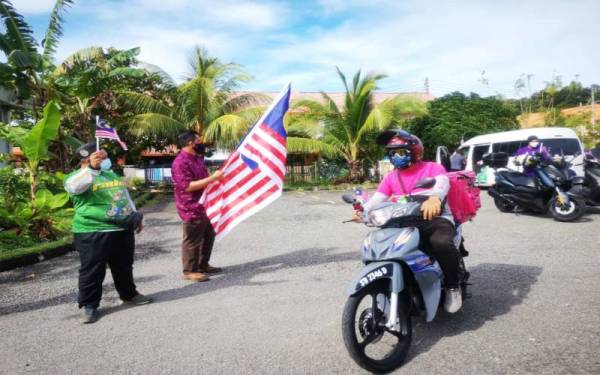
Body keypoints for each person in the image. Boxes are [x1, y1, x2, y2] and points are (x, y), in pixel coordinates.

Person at [354, 130, 463, 313]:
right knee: (382, 244)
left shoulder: (432, 168)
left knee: (440, 242)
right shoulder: (391, 177)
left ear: (415, 152)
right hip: (403, 220)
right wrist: (363, 211)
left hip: (434, 219)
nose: (397, 157)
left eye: (402, 152)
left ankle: (453, 287)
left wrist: (435, 198)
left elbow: (442, 184)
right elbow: (377, 199)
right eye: (393, 153)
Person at [64, 143, 152, 324]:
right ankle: (89, 306)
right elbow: (75, 188)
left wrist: (135, 217)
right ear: (89, 158)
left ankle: (129, 294)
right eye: (102, 157)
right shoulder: (75, 177)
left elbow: (124, 196)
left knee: (124, 266)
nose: (106, 160)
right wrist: (91, 169)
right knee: (92, 271)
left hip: (121, 230)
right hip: (93, 231)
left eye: (105, 157)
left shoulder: (110, 174)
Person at [171, 131, 224, 282]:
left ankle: (202, 264)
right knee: (192, 239)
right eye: (199, 140)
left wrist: (213, 179)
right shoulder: (180, 162)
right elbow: (187, 186)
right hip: (191, 207)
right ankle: (190, 271)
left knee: (208, 235)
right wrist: (212, 178)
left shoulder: (197, 159)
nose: (201, 143)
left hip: (205, 204)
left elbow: (204, 179)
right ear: (190, 143)